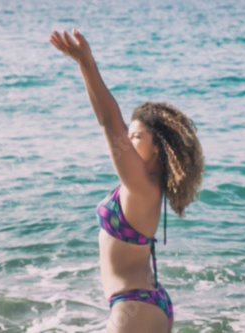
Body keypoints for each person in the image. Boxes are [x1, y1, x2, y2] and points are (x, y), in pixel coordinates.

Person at [49, 29, 205, 333]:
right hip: (146, 302)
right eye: (128, 136)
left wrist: (86, 62)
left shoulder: (142, 185)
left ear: (157, 146)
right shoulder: (148, 184)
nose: (127, 141)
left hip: (134, 307)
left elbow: (109, 121)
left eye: (135, 136)